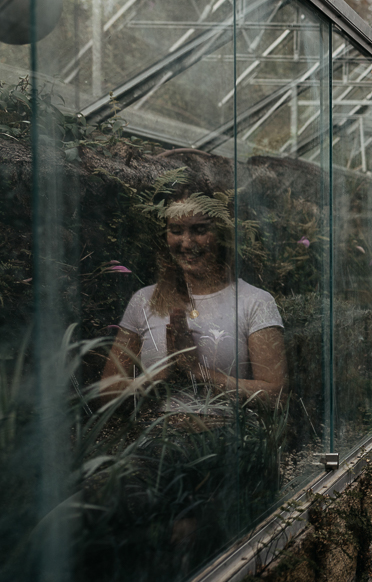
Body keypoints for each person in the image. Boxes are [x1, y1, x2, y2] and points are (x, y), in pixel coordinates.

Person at [101, 178, 286, 421]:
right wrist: (158, 378)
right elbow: (105, 393)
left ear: (221, 232)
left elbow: (277, 396)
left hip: (228, 446)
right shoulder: (144, 301)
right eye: (176, 230)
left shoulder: (255, 302)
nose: (187, 243)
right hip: (152, 447)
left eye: (200, 230)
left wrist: (197, 372)